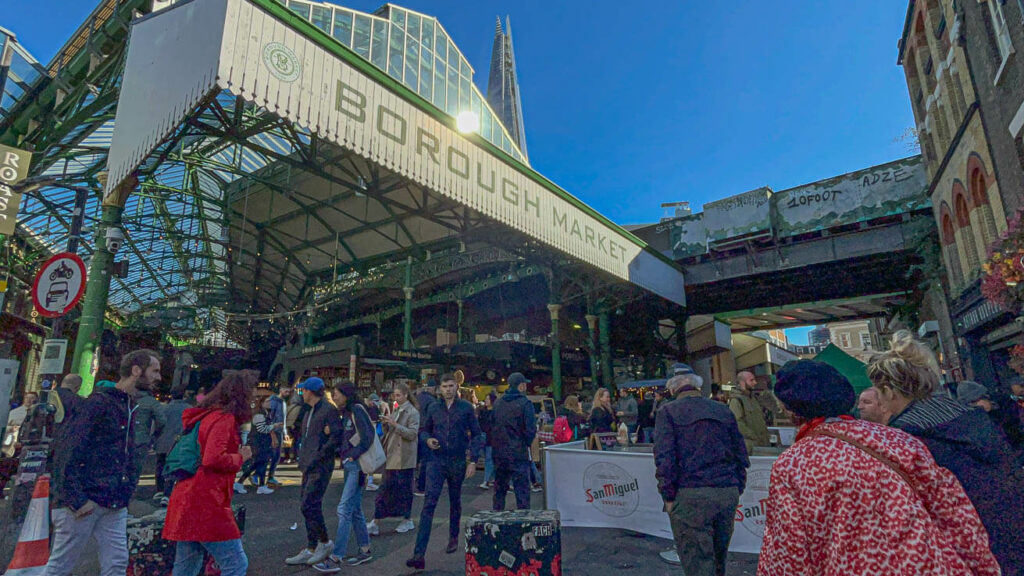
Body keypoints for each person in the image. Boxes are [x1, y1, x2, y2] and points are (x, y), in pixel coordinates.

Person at [758, 360, 1000, 576]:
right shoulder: (900, 441)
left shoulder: (793, 464)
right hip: (931, 566)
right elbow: (955, 515)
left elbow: (788, 552)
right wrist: (984, 568)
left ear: (792, 410)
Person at [867, 331, 1024, 575]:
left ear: (888, 390)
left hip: (965, 553)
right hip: (1011, 529)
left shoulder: (904, 438)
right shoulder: (969, 414)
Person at [44, 349, 161, 576]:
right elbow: (66, 451)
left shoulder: (125, 406)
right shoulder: (102, 404)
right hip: (88, 500)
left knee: (115, 562)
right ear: (136, 370)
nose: (158, 377)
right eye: (154, 370)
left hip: (109, 500)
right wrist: (76, 500)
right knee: (61, 566)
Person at [654, 364, 748, 576]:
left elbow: (665, 458)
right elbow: (740, 453)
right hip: (726, 490)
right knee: (718, 557)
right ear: (697, 385)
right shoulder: (723, 410)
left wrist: (668, 497)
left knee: (697, 561)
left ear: (671, 388)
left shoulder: (668, 412)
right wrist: (737, 486)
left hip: (690, 494)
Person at [163, 372, 253, 576]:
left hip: (186, 494)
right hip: (207, 500)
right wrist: (240, 457)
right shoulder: (225, 419)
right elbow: (212, 458)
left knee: (186, 565)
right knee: (236, 564)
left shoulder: (204, 416)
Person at [406, 373, 484, 571]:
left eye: (451, 386)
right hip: (436, 460)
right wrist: (427, 440)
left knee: (455, 500)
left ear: (456, 387)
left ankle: (453, 536)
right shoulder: (433, 408)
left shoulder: (466, 408)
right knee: (428, 504)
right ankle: (419, 554)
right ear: (440, 388)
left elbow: (477, 434)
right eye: (445, 386)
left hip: (457, 460)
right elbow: (424, 430)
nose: (448, 389)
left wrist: (473, 460)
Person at [312, 383, 375, 572]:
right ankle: (365, 549)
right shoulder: (348, 411)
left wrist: (353, 454)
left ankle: (336, 557)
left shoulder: (356, 409)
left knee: (344, 509)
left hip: (355, 465)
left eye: (337, 394)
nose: (335, 397)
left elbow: (367, 436)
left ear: (346, 394)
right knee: (354, 509)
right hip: (351, 464)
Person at [285, 377, 343, 567]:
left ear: (311, 391)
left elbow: (335, 437)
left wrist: (318, 456)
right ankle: (312, 546)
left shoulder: (328, 410)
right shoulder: (310, 411)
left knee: (310, 504)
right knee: (306, 504)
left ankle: (324, 542)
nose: (301, 393)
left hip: (319, 465)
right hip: (308, 464)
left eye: (303, 390)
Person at [368, 383, 420, 535]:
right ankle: (377, 520)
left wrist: (395, 425)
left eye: (398, 395)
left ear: (405, 395)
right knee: (385, 489)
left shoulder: (412, 412)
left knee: (403, 490)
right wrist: (387, 424)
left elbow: (412, 433)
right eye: (395, 395)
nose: (396, 398)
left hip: (404, 457)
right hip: (392, 455)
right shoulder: (397, 409)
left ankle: (406, 519)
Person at [491, 373, 537, 511]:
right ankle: (523, 524)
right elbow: (530, 429)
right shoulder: (525, 403)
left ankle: (496, 521)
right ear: (521, 386)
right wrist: (525, 443)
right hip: (518, 452)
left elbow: (492, 426)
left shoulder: (498, 403)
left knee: (499, 490)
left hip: (499, 453)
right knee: (522, 491)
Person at [956, 380, 1024, 453]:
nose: (978, 406)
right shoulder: (979, 421)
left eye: (976, 401)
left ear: (985, 396)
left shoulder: (1007, 403)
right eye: (972, 405)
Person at [153, 389, 191, 504]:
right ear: (184, 395)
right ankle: (167, 493)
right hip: (177, 442)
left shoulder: (164, 408)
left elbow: (158, 424)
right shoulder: (188, 409)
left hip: (162, 440)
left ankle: (159, 489)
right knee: (171, 466)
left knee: (160, 464)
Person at [235, 395, 277, 495]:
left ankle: (241, 483)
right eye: (267, 401)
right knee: (261, 463)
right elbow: (262, 429)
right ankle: (261, 486)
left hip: (262, 443)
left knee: (258, 464)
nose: (269, 403)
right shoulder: (259, 415)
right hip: (258, 443)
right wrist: (274, 426)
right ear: (262, 403)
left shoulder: (266, 414)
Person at [133, 376, 167, 483]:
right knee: (136, 467)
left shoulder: (128, 397)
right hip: (141, 439)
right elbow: (162, 421)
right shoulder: (151, 402)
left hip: (123, 437)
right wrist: (154, 436)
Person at [729, 371, 770, 453]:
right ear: (742, 382)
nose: (755, 383)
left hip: (761, 445)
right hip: (749, 447)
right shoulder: (736, 401)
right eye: (751, 380)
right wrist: (753, 436)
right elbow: (737, 423)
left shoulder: (753, 399)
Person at [413, 382, 437, 496]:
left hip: (414, 430)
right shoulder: (432, 401)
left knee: (414, 460)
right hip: (426, 431)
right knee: (426, 460)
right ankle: (422, 485)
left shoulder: (415, 399)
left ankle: (413, 483)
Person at [266, 384, 291, 486]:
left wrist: (285, 432)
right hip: (274, 431)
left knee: (275, 455)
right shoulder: (274, 402)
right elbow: (270, 417)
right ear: (280, 389)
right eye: (286, 389)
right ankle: (266, 476)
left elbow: (283, 419)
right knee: (272, 454)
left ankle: (269, 476)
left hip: (279, 430)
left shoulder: (283, 402)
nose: (288, 392)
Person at [477, 392, 496, 488]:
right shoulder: (483, 411)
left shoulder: (495, 412)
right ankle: (494, 479)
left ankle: (486, 480)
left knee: (489, 459)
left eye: (488, 399)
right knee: (489, 458)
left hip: (491, 438)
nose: (486, 401)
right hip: (484, 437)